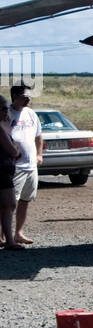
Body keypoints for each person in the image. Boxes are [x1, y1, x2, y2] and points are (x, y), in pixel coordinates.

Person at [8, 83, 42, 246]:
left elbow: (39, 136)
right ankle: (4, 234)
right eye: (24, 96)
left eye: (29, 96)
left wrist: (39, 154)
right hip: (15, 166)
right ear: (15, 97)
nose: (28, 99)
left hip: (31, 166)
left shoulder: (31, 114)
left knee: (25, 200)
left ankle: (18, 233)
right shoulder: (6, 113)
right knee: (9, 202)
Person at [0, 94, 23, 250]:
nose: (5, 111)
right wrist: (17, 148)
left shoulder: (3, 125)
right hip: (2, 171)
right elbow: (13, 150)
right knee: (9, 205)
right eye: (2, 108)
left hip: (4, 169)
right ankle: (9, 240)